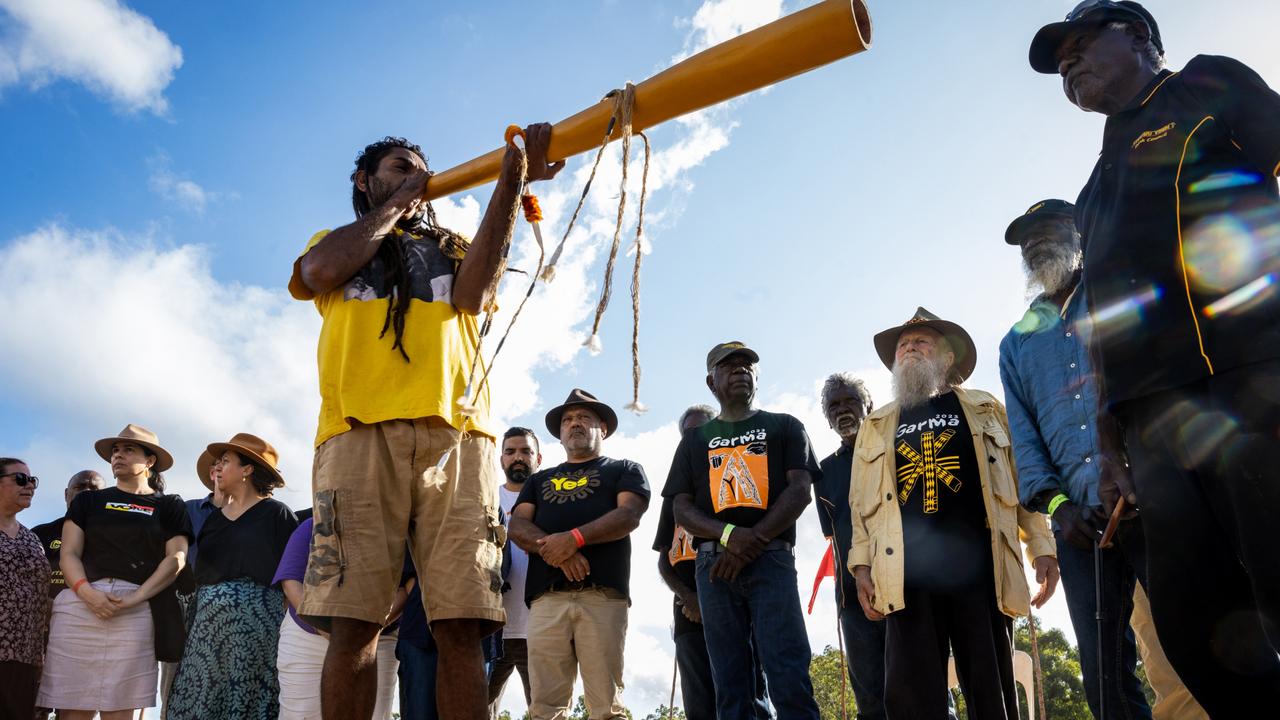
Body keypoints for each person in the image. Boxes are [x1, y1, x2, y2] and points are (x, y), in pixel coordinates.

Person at [1029, 2, 1280, 711]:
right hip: (1157, 434)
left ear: (1137, 36)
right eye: (1060, 60)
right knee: (1196, 628)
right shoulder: (1092, 192)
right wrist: (1110, 448)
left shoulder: (1207, 87)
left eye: (1079, 45)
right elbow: (1106, 328)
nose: (1067, 64)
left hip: (1252, 389)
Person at [288, 124, 563, 720]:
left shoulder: (456, 246)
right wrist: (396, 204)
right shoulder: (334, 239)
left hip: (458, 437)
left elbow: (475, 295)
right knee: (355, 620)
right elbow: (317, 273)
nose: (415, 177)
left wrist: (513, 181)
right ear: (362, 182)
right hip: (359, 431)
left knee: (463, 622)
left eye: (420, 171)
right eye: (397, 166)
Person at [999, 200, 1202, 719]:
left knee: (1200, 648)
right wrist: (1062, 507)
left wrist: (1149, 469)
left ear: (1079, 234)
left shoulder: (1121, 289)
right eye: (1027, 240)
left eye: (1049, 231)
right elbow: (1026, 440)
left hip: (1158, 501)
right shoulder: (1015, 344)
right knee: (1106, 684)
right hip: (1081, 528)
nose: (1037, 244)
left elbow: (1168, 383)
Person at [849, 310, 1059, 720]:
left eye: (920, 342)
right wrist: (861, 566)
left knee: (991, 690)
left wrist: (1041, 546)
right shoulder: (875, 424)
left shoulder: (985, 408)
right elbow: (860, 504)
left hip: (980, 569)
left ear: (947, 358)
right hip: (905, 574)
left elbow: (1021, 481)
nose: (909, 349)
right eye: (902, 346)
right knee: (910, 698)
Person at [664, 342, 823, 720]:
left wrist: (749, 542)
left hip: (772, 562)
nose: (740, 370)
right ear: (711, 381)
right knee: (730, 681)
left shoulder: (785, 426)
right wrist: (729, 536)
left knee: (788, 669)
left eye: (747, 365)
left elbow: (800, 490)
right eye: (729, 365)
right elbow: (680, 508)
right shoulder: (693, 442)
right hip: (713, 570)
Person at [509, 389, 650, 720]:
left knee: (606, 707)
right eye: (568, 420)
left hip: (602, 596)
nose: (575, 424)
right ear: (559, 435)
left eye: (584, 418)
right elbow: (517, 526)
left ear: (602, 428)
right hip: (546, 600)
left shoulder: (624, 469)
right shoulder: (539, 480)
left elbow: (628, 516)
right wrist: (558, 551)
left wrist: (573, 539)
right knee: (544, 707)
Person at [38, 424, 193, 719]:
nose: (118, 455)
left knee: (121, 709)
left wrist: (137, 598)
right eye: (115, 451)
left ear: (149, 461)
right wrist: (86, 592)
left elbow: (176, 558)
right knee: (72, 710)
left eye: (128, 449)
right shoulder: (87, 501)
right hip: (80, 604)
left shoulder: (170, 505)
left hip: (136, 608)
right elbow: (69, 553)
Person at [167, 433, 299, 720]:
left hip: (258, 633)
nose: (218, 468)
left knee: (248, 700)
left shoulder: (278, 514)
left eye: (226, 462)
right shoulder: (213, 518)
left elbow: (292, 576)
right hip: (205, 633)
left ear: (247, 470)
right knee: (200, 700)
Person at [654, 404, 771, 720]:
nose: (696, 437)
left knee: (748, 696)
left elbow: (755, 540)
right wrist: (689, 598)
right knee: (700, 705)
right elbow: (664, 561)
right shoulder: (675, 496)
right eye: (689, 433)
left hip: (736, 609)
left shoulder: (737, 479)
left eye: (703, 430)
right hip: (689, 618)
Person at [274, 517, 405, 720]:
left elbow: (405, 589)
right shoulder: (310, 526)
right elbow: (291, 582)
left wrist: (365, 629)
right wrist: (324, 629)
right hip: (307, 638)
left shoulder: (399, 531)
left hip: (376, 639)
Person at [814, 374, 887, 720]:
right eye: (834, 406)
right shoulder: (823, 472)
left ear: (868, 406)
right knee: (870, 699)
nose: (842, 409)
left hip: (906, 586)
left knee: (923, 688)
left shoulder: (894, 450)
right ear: (826, 418)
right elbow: (833, 533)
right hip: (852, 597)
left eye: (849, 401)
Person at [487, 427, 542, 718]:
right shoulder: (485, 500)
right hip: (492, 628)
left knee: (546, 710)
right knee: (475, 708)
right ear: (501, 460)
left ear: (539, 458)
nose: (518, 457)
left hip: (539, 629)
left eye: (525, 451)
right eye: (510, 452)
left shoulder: (550, 500)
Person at [0, 458, 51, 719]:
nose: (29, 485)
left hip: (25, 660)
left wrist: (40, 656)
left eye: (33, 481)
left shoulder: (32, 539)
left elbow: (42, 600)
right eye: (20, 479)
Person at [31, 470, 105, 599]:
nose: (86, 492)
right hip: (47, 614)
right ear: (66, 494)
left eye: (94, 489)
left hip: (99, 611)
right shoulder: (39, 534)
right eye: (79, 487)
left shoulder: (113, 536)